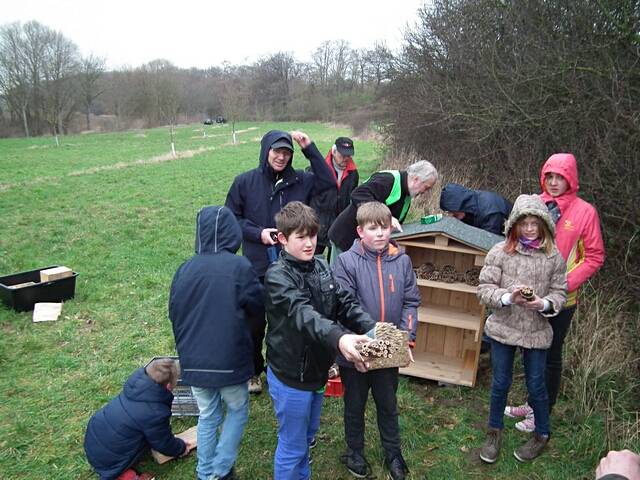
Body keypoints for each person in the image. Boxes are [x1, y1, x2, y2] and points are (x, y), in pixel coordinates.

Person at [264, 201, 376, 480]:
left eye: (312, 236)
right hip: (291, 376)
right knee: (292, 445)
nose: (309, 243)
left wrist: (373, 329)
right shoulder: (277, 277)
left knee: (307, 437)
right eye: (300, 237)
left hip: (317, 373)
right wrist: (341, 340)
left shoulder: (322, 266)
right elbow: (304, 315)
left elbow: (344, 302)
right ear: (282, 239)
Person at [225, 130, 335, 394]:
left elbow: (329, 183)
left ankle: (284, 369)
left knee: (290, 320)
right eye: (277, 151)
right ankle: (254, 370)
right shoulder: (245, 182)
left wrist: (309, 147)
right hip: (256, 266)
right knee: (254, 322)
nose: (282, 157)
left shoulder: (301, 180)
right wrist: (257, 233)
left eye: (287, 153)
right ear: (266, 151)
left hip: (293, 267)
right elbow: (231, 218)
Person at [504, 153, 605, 433]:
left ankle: (542, 412)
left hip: (562, 300)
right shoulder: (534, 204)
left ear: (571, 179)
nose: (554, 182)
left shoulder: (585, 212)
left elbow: (594, 256)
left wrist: (563, 286)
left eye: (560, 177)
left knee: (549, 356)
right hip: (528, 296)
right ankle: (531, 402)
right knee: (529, 350)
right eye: (550, 176)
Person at [169, 206, 263, 480]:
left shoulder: (184, 269)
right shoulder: (240, 266)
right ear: (232, 233)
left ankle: (205, 472)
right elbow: (257, 307)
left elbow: (174, 312)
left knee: (208, 415)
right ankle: (220, 470)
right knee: (237, 410)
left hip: (194, 362)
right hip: (229, 360)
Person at [477, 194, 567, 464]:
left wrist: (543, 303)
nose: (529, 228)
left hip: (536, 330)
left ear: (544, 225)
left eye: (534, 223)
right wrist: (507, 298)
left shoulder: (553, 257)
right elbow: (484, 289)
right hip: (504, 327)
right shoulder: (499, 252)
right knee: (500, 382)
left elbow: (560, 293)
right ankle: (494, 432)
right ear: (514, 225)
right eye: (524, 223)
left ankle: (541, 433)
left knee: (537, 384)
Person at [333, 201, 420, 480]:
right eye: (373, 228)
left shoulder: (402, 261)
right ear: (360, 231)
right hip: (356, 351)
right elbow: (343, 307)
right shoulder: (346, 262)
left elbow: (410, 302)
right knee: (354, 405)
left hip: (389, 351)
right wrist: (364, 347)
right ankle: (355, 451)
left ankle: (393, 453)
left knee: (388, 404)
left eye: (384, 227)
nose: (380, 234)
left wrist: (406, 339)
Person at [84, 358, 193, 480]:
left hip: (93, 442)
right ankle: (124, 476)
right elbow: (163, 443)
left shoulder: (135, 389)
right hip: (109, 461)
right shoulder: (155, 412)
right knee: (124, 475)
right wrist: (180, 448)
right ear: (168, 386)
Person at [328, 160, 438, 261]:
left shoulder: (407, 195)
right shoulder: (388, 180)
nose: (425, 192)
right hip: (345, 239)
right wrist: (386, 218)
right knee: (339, 280)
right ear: (416, 179)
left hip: (364, 246)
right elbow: (358, 194)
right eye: (426, 187)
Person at [309, 136, 359, 256]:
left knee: (337, 263)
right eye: (342, 155)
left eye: (349, 155)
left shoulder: (353, 174)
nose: (346, 158)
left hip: (340, 225)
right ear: (333, 151)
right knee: (312, 259)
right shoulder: (317, 170)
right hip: (318, 224)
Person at [439, 183, 513, 236]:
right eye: (448, 211)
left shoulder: (491, 214)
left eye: (453, 212)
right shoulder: (469, 208)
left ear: (462, 206)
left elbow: (487, 243)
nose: (450, 215)